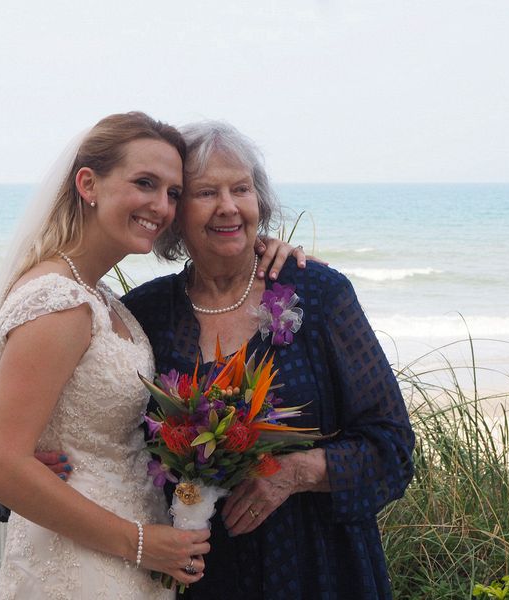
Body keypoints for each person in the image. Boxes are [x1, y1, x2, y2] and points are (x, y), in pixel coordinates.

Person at [121, 121, 416, 598]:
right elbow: (117, 439)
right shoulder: (146, 312)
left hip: (319, 568)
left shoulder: (318, 293)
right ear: (175, 213)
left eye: (241, 189)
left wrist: (293, 473)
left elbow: (392, 448)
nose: (229, 206)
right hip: (202, 576)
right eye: (206, 192)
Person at [0, 112, 211, 599]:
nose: (161, 206)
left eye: (173, 193)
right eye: (145, 183)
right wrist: (139, 545)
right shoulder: (60, 302)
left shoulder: (100, 297)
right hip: (79, 564)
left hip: (117, 554)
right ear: (88, 184)